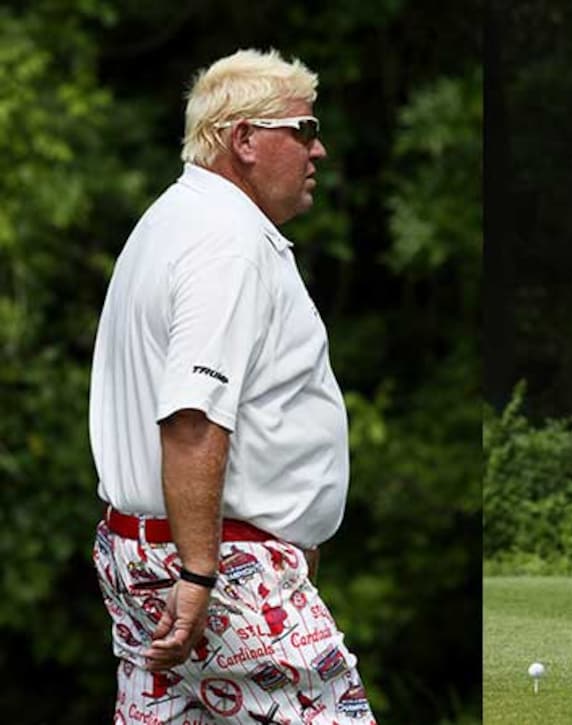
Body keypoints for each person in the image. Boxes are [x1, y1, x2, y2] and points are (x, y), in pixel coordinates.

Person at [89, 49, 377, 722]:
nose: (320, 150)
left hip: (141, 548)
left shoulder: (170, 219)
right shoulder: (226, 241)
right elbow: (192, 415)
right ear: (244, 139)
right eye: (303, 130)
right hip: (222, 567)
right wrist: (198, 569)